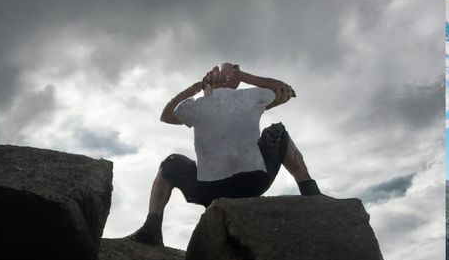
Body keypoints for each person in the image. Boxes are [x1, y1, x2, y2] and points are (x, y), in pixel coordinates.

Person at [127, 61, 323, 247]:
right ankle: (152, 226)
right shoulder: (200, 104)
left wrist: (244, 76)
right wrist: (195, 89)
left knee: (276, 132)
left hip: (246, 180)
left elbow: (285, 91)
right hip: (218, 185)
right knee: (172, 163)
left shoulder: (249, 98)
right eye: (216, 70)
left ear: (234, 76)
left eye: (225, 69)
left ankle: (309, 189)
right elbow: (167, 116)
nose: (216, 72)